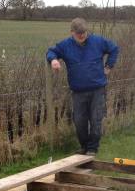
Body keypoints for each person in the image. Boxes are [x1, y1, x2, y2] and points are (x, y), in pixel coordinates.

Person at [46, 18, 119, 156]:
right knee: (79, 121)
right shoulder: (65, 45)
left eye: (84, 32)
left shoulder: (98, 41)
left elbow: (114, 48)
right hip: (78, 91)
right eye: (78, 33)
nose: (81, 35)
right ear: (72, 32)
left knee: (96, 120)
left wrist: (109, 66)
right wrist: (54, 60)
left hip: (97, 89)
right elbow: (51, 51)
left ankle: (92, 148)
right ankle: (84, 146)